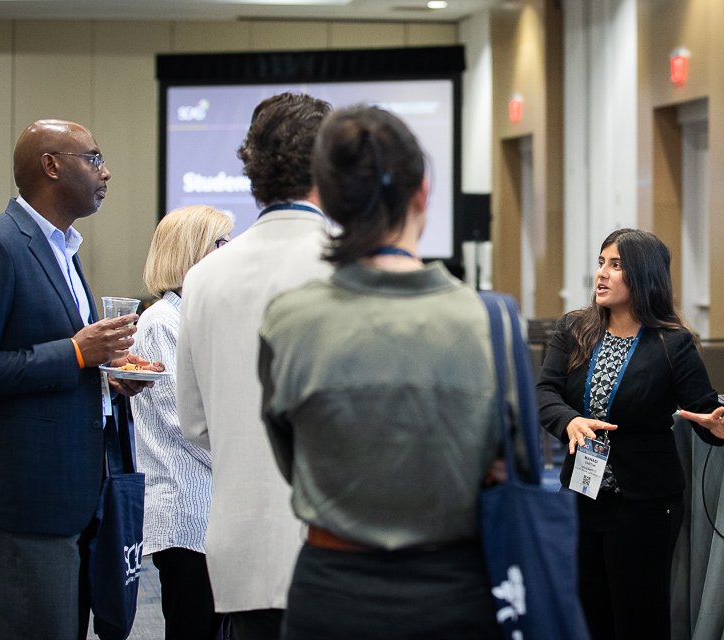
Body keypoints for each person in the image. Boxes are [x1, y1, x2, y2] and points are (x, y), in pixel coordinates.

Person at [258, 105, 502, 640]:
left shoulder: (289, 320)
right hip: (455, 592)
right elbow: (503, 467)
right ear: (423, 194)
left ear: (329, 196)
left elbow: (290, 455)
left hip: (329, 592)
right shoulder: (488, 321)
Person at [0, 119, 160, 638]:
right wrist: (77, 354)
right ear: (51, 166)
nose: (107, 172)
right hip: (30, 497)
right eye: (93, 159)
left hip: (80, 492)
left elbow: (61, 361)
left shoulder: (63, 248)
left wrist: (107, 377)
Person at [176, 92, 334, 639]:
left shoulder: (203, 277)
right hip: (338, 545)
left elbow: (194, 423)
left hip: (239, 544)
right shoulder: (353, 265)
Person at [536, 228, 724, 640]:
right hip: (582, 494)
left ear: (644, 277)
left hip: (645, 505)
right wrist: (569, 421)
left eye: (616, 265)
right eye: (600, 263)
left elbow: (708, 415)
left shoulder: (672, 343)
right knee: (586, 616)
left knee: (638, 621)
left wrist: (715, 426)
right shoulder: (575, 329)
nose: (602, 274)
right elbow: (545, 391)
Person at [130, 205, 233, 640]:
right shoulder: (161, 322)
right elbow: (187, 423)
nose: (231, 252)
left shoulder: (195, 316)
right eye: (220, 243)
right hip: (187, 514)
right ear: (192, 252)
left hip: (212, 510)